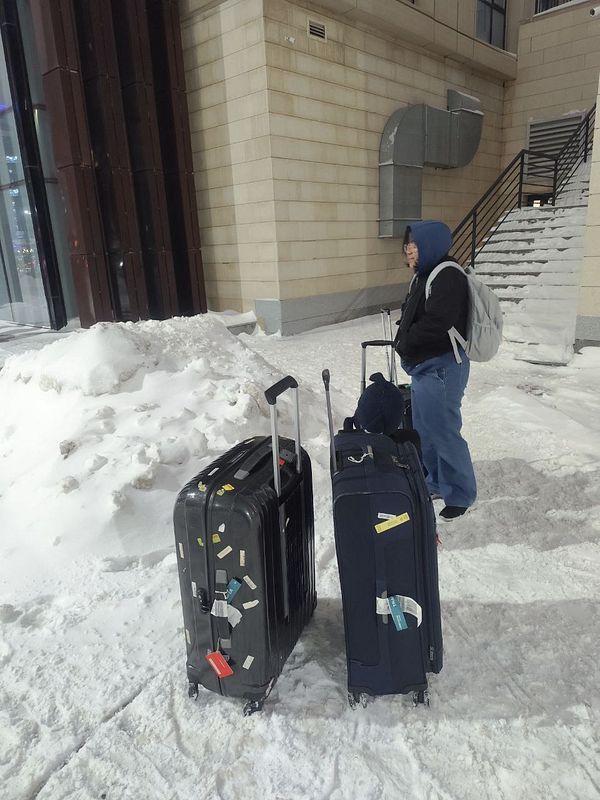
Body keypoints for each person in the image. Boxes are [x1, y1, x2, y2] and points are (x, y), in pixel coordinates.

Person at [394, 220, 476, 520]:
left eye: (414, 245)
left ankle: (461, 493)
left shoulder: (447, 275)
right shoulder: (424, 275)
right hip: (424, 367)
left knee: (444, 432)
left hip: (442, 368)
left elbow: (438, 322)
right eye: (407, 245)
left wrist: (406, 341)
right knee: (425, 431)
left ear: (430, 245)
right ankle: (437, 482)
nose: (409, 251)